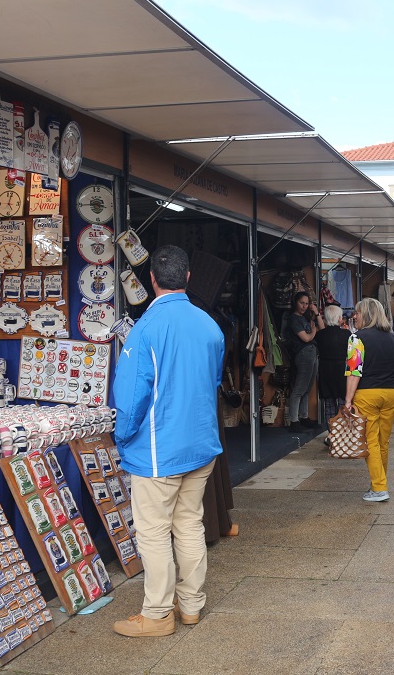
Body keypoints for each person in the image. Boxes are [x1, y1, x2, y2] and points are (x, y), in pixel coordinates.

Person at [112, 245, 224, 638]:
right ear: (188, 278)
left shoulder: (145, 328)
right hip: (201, 442)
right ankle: (191, 605)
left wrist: (122, 439)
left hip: (159, 449)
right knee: (189, 524)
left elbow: (129, 398)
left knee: (154, 532)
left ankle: (158, 613)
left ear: (152, 280)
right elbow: (212, 384)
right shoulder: (210, 325)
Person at [345, 298, 394, 502]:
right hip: (391, 392)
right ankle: (378, 482)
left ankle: (379, 488)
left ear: (366, 314)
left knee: (370, 442)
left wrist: (347, 401)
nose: (354, 316)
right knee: (382, 442)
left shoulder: (356, 339)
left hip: (367, 393)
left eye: (358, 313)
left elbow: (354, 372)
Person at [282, 290, 325, 433]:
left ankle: (304, 417)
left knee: (307, 388)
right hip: (303, 353)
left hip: (312, 352)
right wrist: (313, 332)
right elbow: (306, 338)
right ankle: (294, 420)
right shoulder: (293, 319)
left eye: (307, 304)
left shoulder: (306, 317)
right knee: (299, 388)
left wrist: (316, 313)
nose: (304, 306)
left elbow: (322, 328)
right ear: (296, 302)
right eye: (302, 303)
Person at [316, 304, 351, 433]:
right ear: (339, 318)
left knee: (329, 403)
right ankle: (343, 432)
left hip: (325, 370)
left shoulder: (320, 335)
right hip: (341, 369)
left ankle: (332, 433)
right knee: (343, 403)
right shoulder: (346, 334)